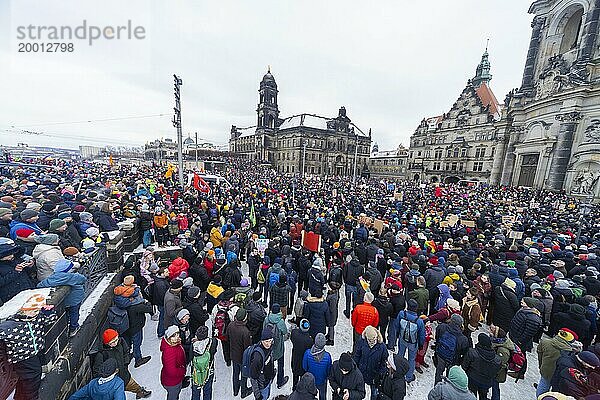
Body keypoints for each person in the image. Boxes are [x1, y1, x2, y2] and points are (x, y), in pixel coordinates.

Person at [0, 297, 57, 400]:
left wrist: (49, 313)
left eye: (38, 310)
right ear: (23, 310)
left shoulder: (37, 317)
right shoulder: (9, 326)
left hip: (36, 352)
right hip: (22, 357)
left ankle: (19, 397)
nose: (36, 313)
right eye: (34, 310)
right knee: (32, 378)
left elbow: (49, 321)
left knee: (26, 380)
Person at [93, 328, 151, 399]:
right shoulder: (101, 354)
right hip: (113, 382)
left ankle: (140, 392)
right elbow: (96, 371)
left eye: (116, 340)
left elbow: (126, 351)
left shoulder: (121, 341)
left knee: (133, 385)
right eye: (112, 342)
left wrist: (125, 363)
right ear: (106, 343)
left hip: (124, 374)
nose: (115, 343)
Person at [37, 259, 86, 337]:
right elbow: (83, 279)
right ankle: (73, 328)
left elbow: (40, 285)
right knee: (74, 313)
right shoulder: (74, 276)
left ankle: (65, 327)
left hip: (64, 301)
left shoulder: (52, 278)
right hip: (75, 299)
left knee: (66, 313)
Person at [387, 299, 425, 383]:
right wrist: (421, 345)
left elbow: (396, 325)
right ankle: (409, 376)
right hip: (413, 342)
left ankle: (397, 370)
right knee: (411, 359)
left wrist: (397, 335)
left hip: (402, 338)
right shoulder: (419, 321)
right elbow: (421, 335)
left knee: (400, 354)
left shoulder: (401, 314)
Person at [536, 328, 577, 397]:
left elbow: (540, 354)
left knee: (543, 386)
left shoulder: (545, 342)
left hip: (546, 370)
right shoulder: (569, 352)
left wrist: (541, 365)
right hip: (560, 375)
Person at [461, 333, 502, 399]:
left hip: (472, 379)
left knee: (471, 396)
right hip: (486, 382)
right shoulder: (497, 360)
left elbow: (464, 366)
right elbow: (496, 372)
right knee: (483, 396)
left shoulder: (472, 353)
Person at [353, 325, 388, 400]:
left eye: (374, 339)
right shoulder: (362, 341)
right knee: (359, 391)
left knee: (374, 393)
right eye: (370, 339)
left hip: (374, 374)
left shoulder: (382, 347)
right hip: (362, 371)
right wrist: (355, 367)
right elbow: (357, 355)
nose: (372, 341)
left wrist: (380, 374)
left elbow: (384, 362)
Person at [433, 314, 468, 384]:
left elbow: (437, 338)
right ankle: (447, 388)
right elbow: (464, 351)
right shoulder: (463, 338)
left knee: (439, 371)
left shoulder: (442, 327)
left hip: (440, 354)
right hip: (453, 359)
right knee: (450, 375)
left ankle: (437, 387)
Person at [227, 308, 253, 398]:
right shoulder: (245, 331)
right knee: (244, 374)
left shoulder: (230, 325)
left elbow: (227, 338)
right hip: (242, 357)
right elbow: (247, 348)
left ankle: (235, 390)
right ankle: (243, 391)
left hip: (233, 354)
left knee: (235, 373)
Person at [263, 303, 290, 389]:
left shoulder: (267, 319)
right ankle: (280, 381)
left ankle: (270, 376)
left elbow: (264, 330)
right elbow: (285, 332)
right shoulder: (280, 322)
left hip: (268, 346)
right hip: (278, 347)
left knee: (270, 362)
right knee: (280, 364)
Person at [190, 326, 218, 400]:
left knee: (195, 391)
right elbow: (215, 345)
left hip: (196, 371)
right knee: (207, 390)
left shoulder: (193, 345)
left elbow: (190, 358)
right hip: (208, 370)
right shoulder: (213, 342)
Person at [302, 333, 332, 400]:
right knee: (323, 395)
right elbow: (329, 370)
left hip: (310, 380)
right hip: (322, 380)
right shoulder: (327, 356)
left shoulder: (307, 353)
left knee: (310, 396)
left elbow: (304, 367)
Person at [160, 325, 187, 400]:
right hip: (172, 383)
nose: (177, 337)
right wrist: (182, 370)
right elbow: (171, 371)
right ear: (169, 338)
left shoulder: (175, 344)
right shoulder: (169, 351)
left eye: (177, 334)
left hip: (175, 379)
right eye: (173, 336)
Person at [250, 328, 276, 400]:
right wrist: (258, 395)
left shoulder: (270, 347)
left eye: (270, 341)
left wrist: (273, 371)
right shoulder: (257, 357)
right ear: (262, 340)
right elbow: (253, 378)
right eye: (266, 341)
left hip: (268, 380)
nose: (268, 344)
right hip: (262, 385)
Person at [291, 319, 314, 390]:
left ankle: (294, 387)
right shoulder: (310, 340)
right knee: (303, 375)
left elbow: (292, 338)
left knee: (295, 374)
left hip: (295, 359)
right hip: (304, 361)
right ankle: (301, 388)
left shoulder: (294, 333)